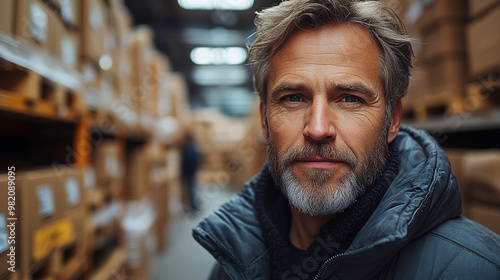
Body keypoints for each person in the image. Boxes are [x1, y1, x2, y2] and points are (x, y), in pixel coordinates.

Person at [192, 0, 500, 279]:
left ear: (392, 119)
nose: (317, 128)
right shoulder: (231, 265)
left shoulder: (474, 268)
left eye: (350, 99)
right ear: (264, 120)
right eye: (294, 98)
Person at [181, 133, 201, 212]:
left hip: (189, 172)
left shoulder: (188, 149)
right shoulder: (194, 147)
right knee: (193, 188)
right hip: (193, 171)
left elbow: (186, 162)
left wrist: (183, 173)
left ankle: (194, 206)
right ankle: (196, 205)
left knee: (191, 190)